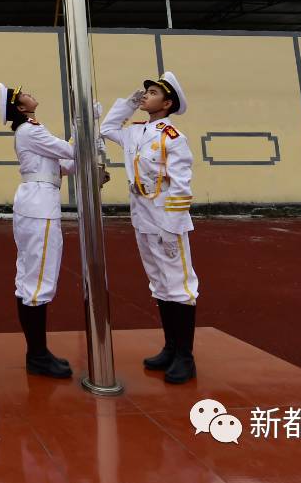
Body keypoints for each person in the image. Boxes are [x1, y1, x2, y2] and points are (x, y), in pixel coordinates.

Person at [99, 71, 199, 384]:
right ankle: (170, 348)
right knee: (158, 282)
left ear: (167, 103)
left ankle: (185, 356)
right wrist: (130, 102)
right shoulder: (136, 131)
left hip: (166, 218)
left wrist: (171, 225)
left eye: (153, 93)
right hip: (142, 215)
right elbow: (107, 127)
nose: (146, 96)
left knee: (179, 285)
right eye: (146, 92)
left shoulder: (173, 138)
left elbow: (181, 184)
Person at [0, 83, 75, 379]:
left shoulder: (31, 131)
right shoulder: (31, 131)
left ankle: (37, 352)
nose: (30, 92)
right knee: (39, 277)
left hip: (36, 202)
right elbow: (69, 150)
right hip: (40, 206)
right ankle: (38, 355)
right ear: (21, 108)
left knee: (30, 276)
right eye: (23, 95)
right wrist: (87, 125)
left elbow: (64, 164)